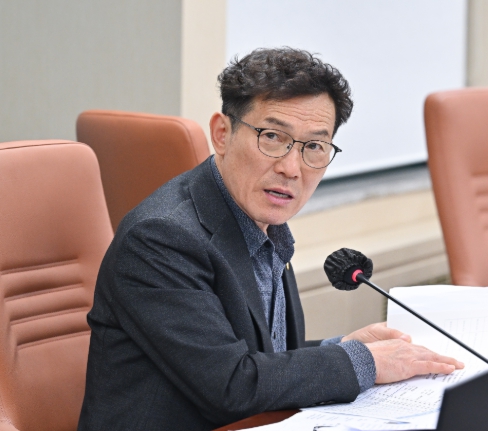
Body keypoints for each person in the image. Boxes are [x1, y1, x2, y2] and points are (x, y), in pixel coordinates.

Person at [77, 47, 463, 430]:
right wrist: (364, 362)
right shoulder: (162, 238)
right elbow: (231, 384)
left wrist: (343, 348)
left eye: (314, 146)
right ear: (222, 134)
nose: (291, 168)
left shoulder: (263, 222)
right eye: (273, 137)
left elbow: (263, 357)